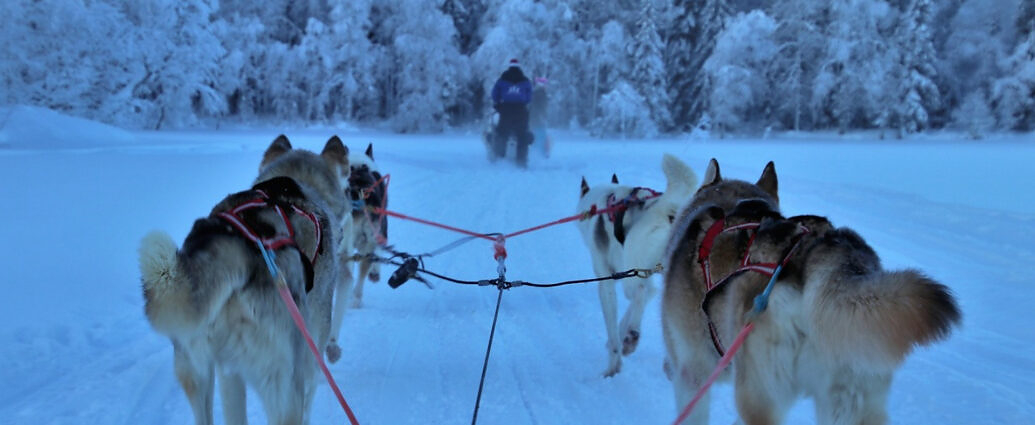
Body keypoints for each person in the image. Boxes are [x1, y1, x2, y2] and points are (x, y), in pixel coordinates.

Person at [490, 58, 533, 167]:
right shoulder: (525, 80)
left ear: (509, 66)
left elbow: (495, 94)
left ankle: (500, 158)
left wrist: (499, 102)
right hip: (521, 110)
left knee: (502, 133)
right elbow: (529, 97)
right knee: (522, 135)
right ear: (519, 67)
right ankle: (521, 160)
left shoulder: (502, 79)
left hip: (506, 109)